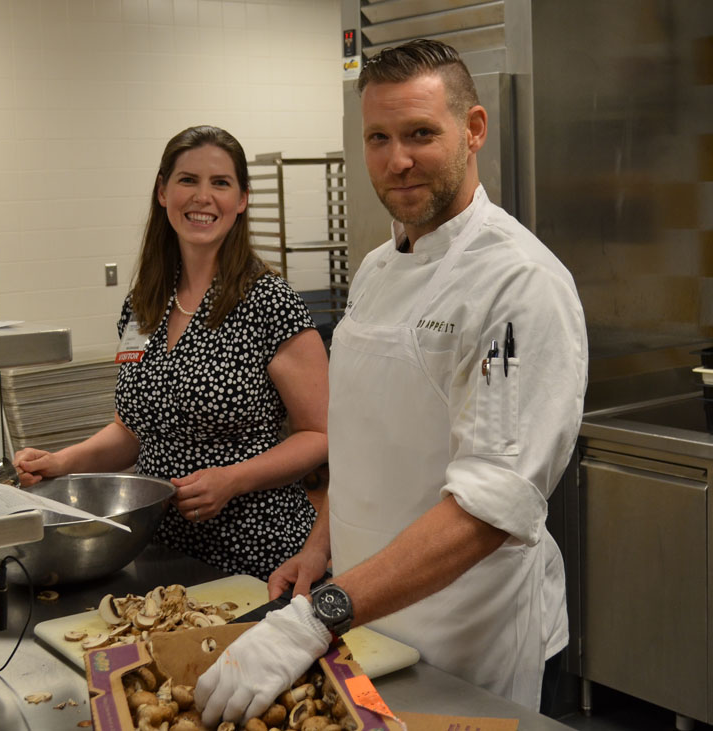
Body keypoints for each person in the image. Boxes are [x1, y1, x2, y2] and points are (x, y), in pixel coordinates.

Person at [195, 39, 588, 724]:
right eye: (379, 137)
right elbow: (366, 438)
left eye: (420, 134)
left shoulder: (516, 289)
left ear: (474, 130)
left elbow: (489, 506)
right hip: (366, 627)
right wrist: (320, 549)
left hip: (472, 646)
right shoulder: (377, 270)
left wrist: (315, 618)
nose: (396, 160)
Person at [13, 125, 329, 581]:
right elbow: (134, 429)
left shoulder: (269, 302)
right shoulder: (144, 304)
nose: (203, 197)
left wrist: (232, 478)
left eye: (220, 183)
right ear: (163, 192)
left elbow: (320, 435)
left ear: (241, 199)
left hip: (257, 552)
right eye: (187, 180)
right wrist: (62, 461)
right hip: (154, 545)